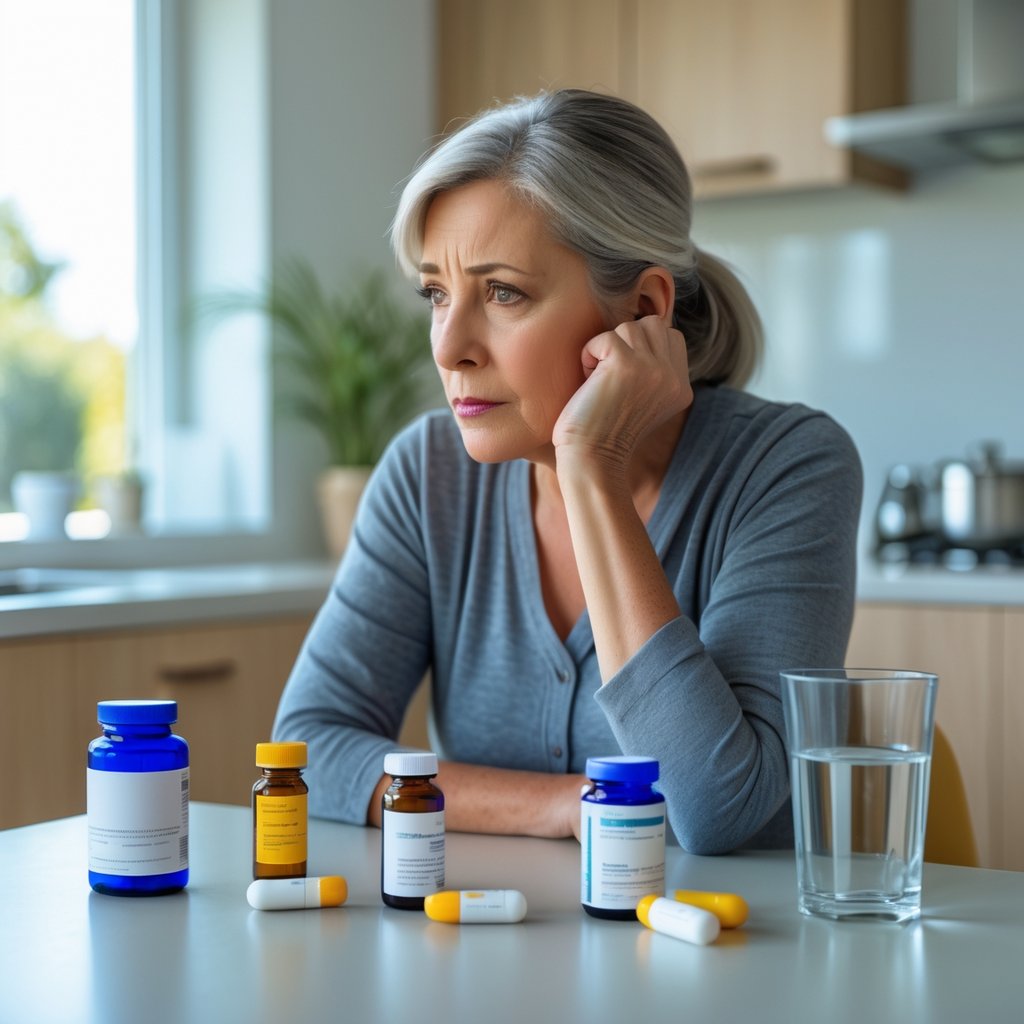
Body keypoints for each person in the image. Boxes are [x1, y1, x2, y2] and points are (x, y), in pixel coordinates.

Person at [272, 89, 862, 854]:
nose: (449, 346)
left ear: (643, 309)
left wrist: (592, 467)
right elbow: (311, 749)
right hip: (494, 946)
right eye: (436, 294)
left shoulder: (786, 468)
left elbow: (718, 810)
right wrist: (570, 807)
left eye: (504, 292)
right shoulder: (428, 476)